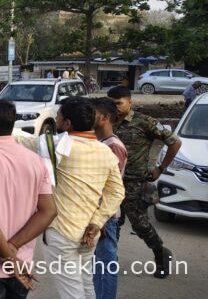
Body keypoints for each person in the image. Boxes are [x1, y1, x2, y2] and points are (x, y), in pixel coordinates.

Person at [15, 97, 124, 299]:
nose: (55, 119)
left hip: (61, 232)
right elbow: (117, 192)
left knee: (72, 293)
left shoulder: (56, 144)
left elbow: (22, 140)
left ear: (68, 123)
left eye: (58, 116)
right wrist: (97, 222)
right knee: (86, 286)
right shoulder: (105, 152)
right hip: (89, 233)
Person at [0, 99, 57, 299]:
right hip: (22, 261)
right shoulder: (35, 160)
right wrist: (14, 248)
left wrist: (7, 255)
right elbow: (49, 211)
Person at [107, 86, 182, 278]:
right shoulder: (107, 121)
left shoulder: (144, 122)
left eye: (119, 103)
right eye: (112, 103)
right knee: (111, 223)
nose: (115, 107)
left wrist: (160, 168)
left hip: (134, 183)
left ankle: (161, 254)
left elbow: (175, 142)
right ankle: (108, 262)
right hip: (110, 182)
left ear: (130, 102)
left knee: (140, 224)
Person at [90, 97, 128, 299]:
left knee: (106, 266)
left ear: (104, 118)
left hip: (106, 217)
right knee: (98, 267)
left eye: (93, 113)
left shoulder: (113, 146)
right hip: (98, 216)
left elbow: (111, 187)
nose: (90, 117)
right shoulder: (99, 143)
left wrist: (101, 218)